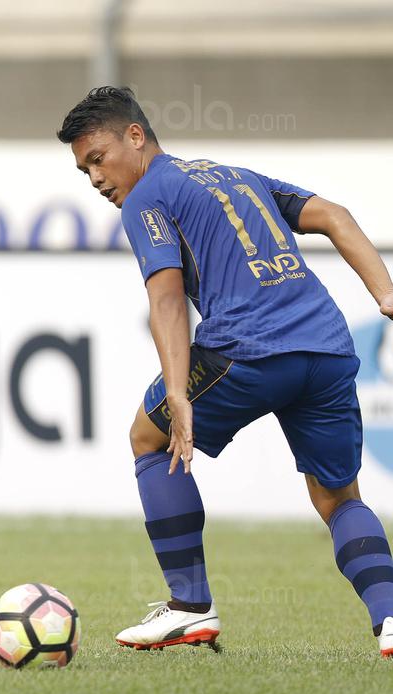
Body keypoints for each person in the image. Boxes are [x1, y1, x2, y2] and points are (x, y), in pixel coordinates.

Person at [57, 87, 393, 657]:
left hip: (247, 350)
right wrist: (386, 296)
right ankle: (390, 618)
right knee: (338, 497)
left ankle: (190, 606)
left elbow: (165, 300)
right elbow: (335, 215)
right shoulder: (233, 175)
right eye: (84, 169)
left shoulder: (146, 199)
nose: (95, 178)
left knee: (148, 434)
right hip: (328, 349)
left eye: (98, 158)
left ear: (135, 136)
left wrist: (178, 390)